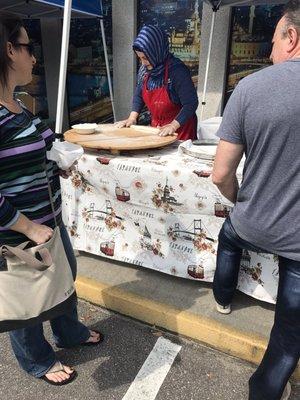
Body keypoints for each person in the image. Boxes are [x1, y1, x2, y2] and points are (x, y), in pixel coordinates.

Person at [0, 12, 104, 386]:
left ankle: (68, 332)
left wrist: (56, 163)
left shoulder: (17, 103)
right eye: (28, 47)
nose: (34, 57)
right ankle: (38, 360)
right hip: (19, 233)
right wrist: (28, 226)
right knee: (25, 302)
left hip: (49, 220)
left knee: (65, 277)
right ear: (9, 50)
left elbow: (29, 154)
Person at [212, 1, 300, 399]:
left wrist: (240, 201)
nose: (269, 53)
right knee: (287, 337)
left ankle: (222, 297)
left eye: (274, 41)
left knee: (229, 236)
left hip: (253, 222)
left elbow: (220, 175)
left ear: (292, 37)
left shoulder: (249, 88)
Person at [115, 25, 198, 140]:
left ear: (156, 51)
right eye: (140, 58)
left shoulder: (178, 72)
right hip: (157, 130)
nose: (143, 62)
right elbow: (139, 95)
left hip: (181, 131)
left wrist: (173, 125)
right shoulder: (145, 71)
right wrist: (132, 118)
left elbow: (191, 104)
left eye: (145, 58)